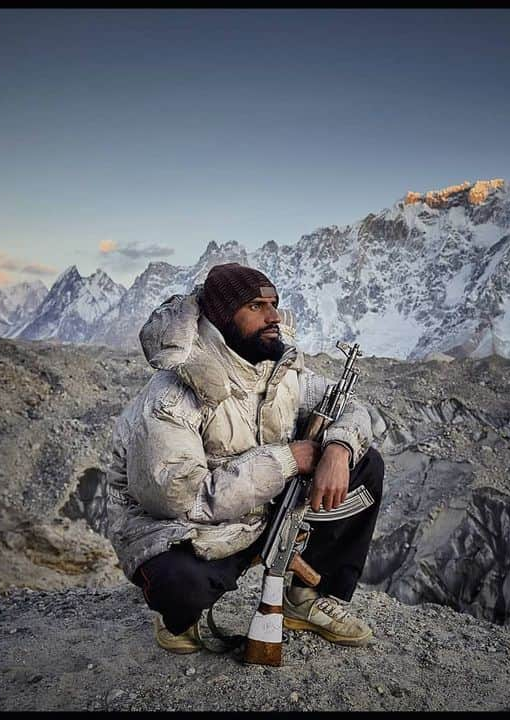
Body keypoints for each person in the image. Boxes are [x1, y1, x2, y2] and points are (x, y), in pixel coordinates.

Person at [104, 262, 385, 654]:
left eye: (273, 303)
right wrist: (286, 460)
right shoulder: (172, 395)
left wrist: (338, 449)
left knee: (365, 465)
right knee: (179, 586)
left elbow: (352, 407)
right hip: (179, 530)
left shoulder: (277, 367)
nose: (274, 316)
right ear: (222, 316)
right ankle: (178, 620)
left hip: (259, 515)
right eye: (256, 306)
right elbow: (179, 499)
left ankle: (303, 599)